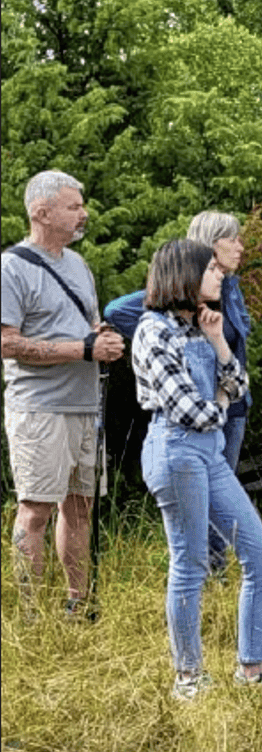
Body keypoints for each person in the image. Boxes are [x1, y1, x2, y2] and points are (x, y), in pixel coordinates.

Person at [131, 239, 262, 701]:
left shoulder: (198, 328)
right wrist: (219, 399)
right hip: (175, 453)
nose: (220, 276)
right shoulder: (153, 332)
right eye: (211, 270)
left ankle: (251, 668)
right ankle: (189, 677)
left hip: (208, 455)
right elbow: (191, 411)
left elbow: (238, 386)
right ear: (184, 275)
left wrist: (218, 341)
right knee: (191, 563)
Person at [2, 169, 125, 619]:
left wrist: (102, 337)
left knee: (80, 506)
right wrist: (83, 348)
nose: (83, 213)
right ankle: (31, 614)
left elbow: (88, 326)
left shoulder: (78, 265)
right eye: (74, 206)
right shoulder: (11, 267)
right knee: (35, 510)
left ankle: (78, 603)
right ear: (42, 211)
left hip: (85, 406)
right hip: (39, 409)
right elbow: (6, 342)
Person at [105, 211, 254, 573]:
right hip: (192, 420)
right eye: (232, 238)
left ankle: (216, 572)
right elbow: (119, 310)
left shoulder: (229, 288)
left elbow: (237, 359)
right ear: (211, 245)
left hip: (232, 411)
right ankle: (205, 578)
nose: (240, 246)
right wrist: (172, 334)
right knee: (195, 528)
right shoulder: (175, 307)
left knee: (225, 507)